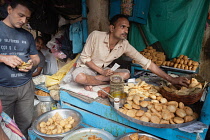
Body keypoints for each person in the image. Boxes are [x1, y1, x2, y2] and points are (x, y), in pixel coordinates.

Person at [72, 14, 189, 95]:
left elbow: (147, 63)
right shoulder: (96, 35)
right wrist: (102, 72)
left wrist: (171, 79)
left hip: (102, 72)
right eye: (122, 27)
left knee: (126, 75)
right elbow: (85, 58)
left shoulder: (125, 44)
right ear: (112, 28)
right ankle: (100, 80)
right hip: (86, 68)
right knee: (79, 77)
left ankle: (92, 81)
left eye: (127, 28)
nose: (126, 31)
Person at [0, 0, 40, 138]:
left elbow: (36, 57)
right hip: (2, 89)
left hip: (26, 88)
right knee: (4, 128)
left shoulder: (27, 35)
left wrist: (31, 63)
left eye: (27, 18)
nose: (23, 20)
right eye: (20, 15)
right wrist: (3, 58)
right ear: (9, 9)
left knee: (25, 124)